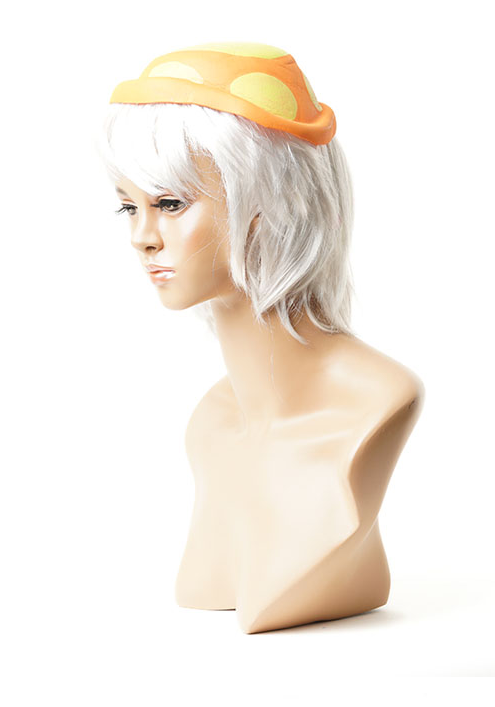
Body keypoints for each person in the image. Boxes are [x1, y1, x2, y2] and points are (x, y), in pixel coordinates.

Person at [95, 41, 425, 634]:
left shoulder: (377, 403)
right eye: (129, 207)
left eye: (170, 203)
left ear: (270, 205)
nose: (142, 236)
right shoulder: (211, 424)